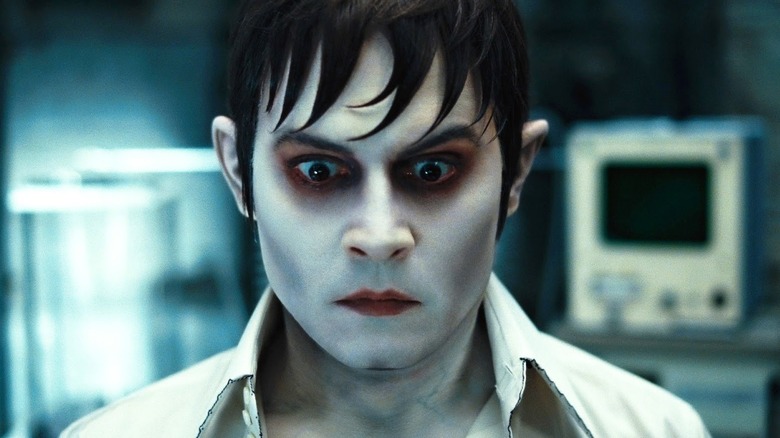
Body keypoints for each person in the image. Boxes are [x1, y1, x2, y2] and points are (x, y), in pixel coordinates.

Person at [63, 0, 711, 436]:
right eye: (319, 172)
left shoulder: (654, 430)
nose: (378, 237)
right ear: (239, 173)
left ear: (515, 173)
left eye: (431, 171)